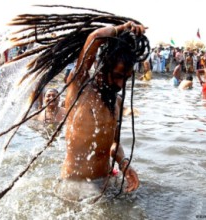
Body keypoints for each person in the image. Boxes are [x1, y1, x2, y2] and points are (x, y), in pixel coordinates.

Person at [59, 20, 148, 194]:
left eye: (126, 78)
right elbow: (96, 37)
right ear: (102, 67)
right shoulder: (80, 87)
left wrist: (124, 165)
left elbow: (113, 144)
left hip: (105, 182)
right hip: (74, 185)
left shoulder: (117, 102)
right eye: (117, 76)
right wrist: (123, 28)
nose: (121, 84)